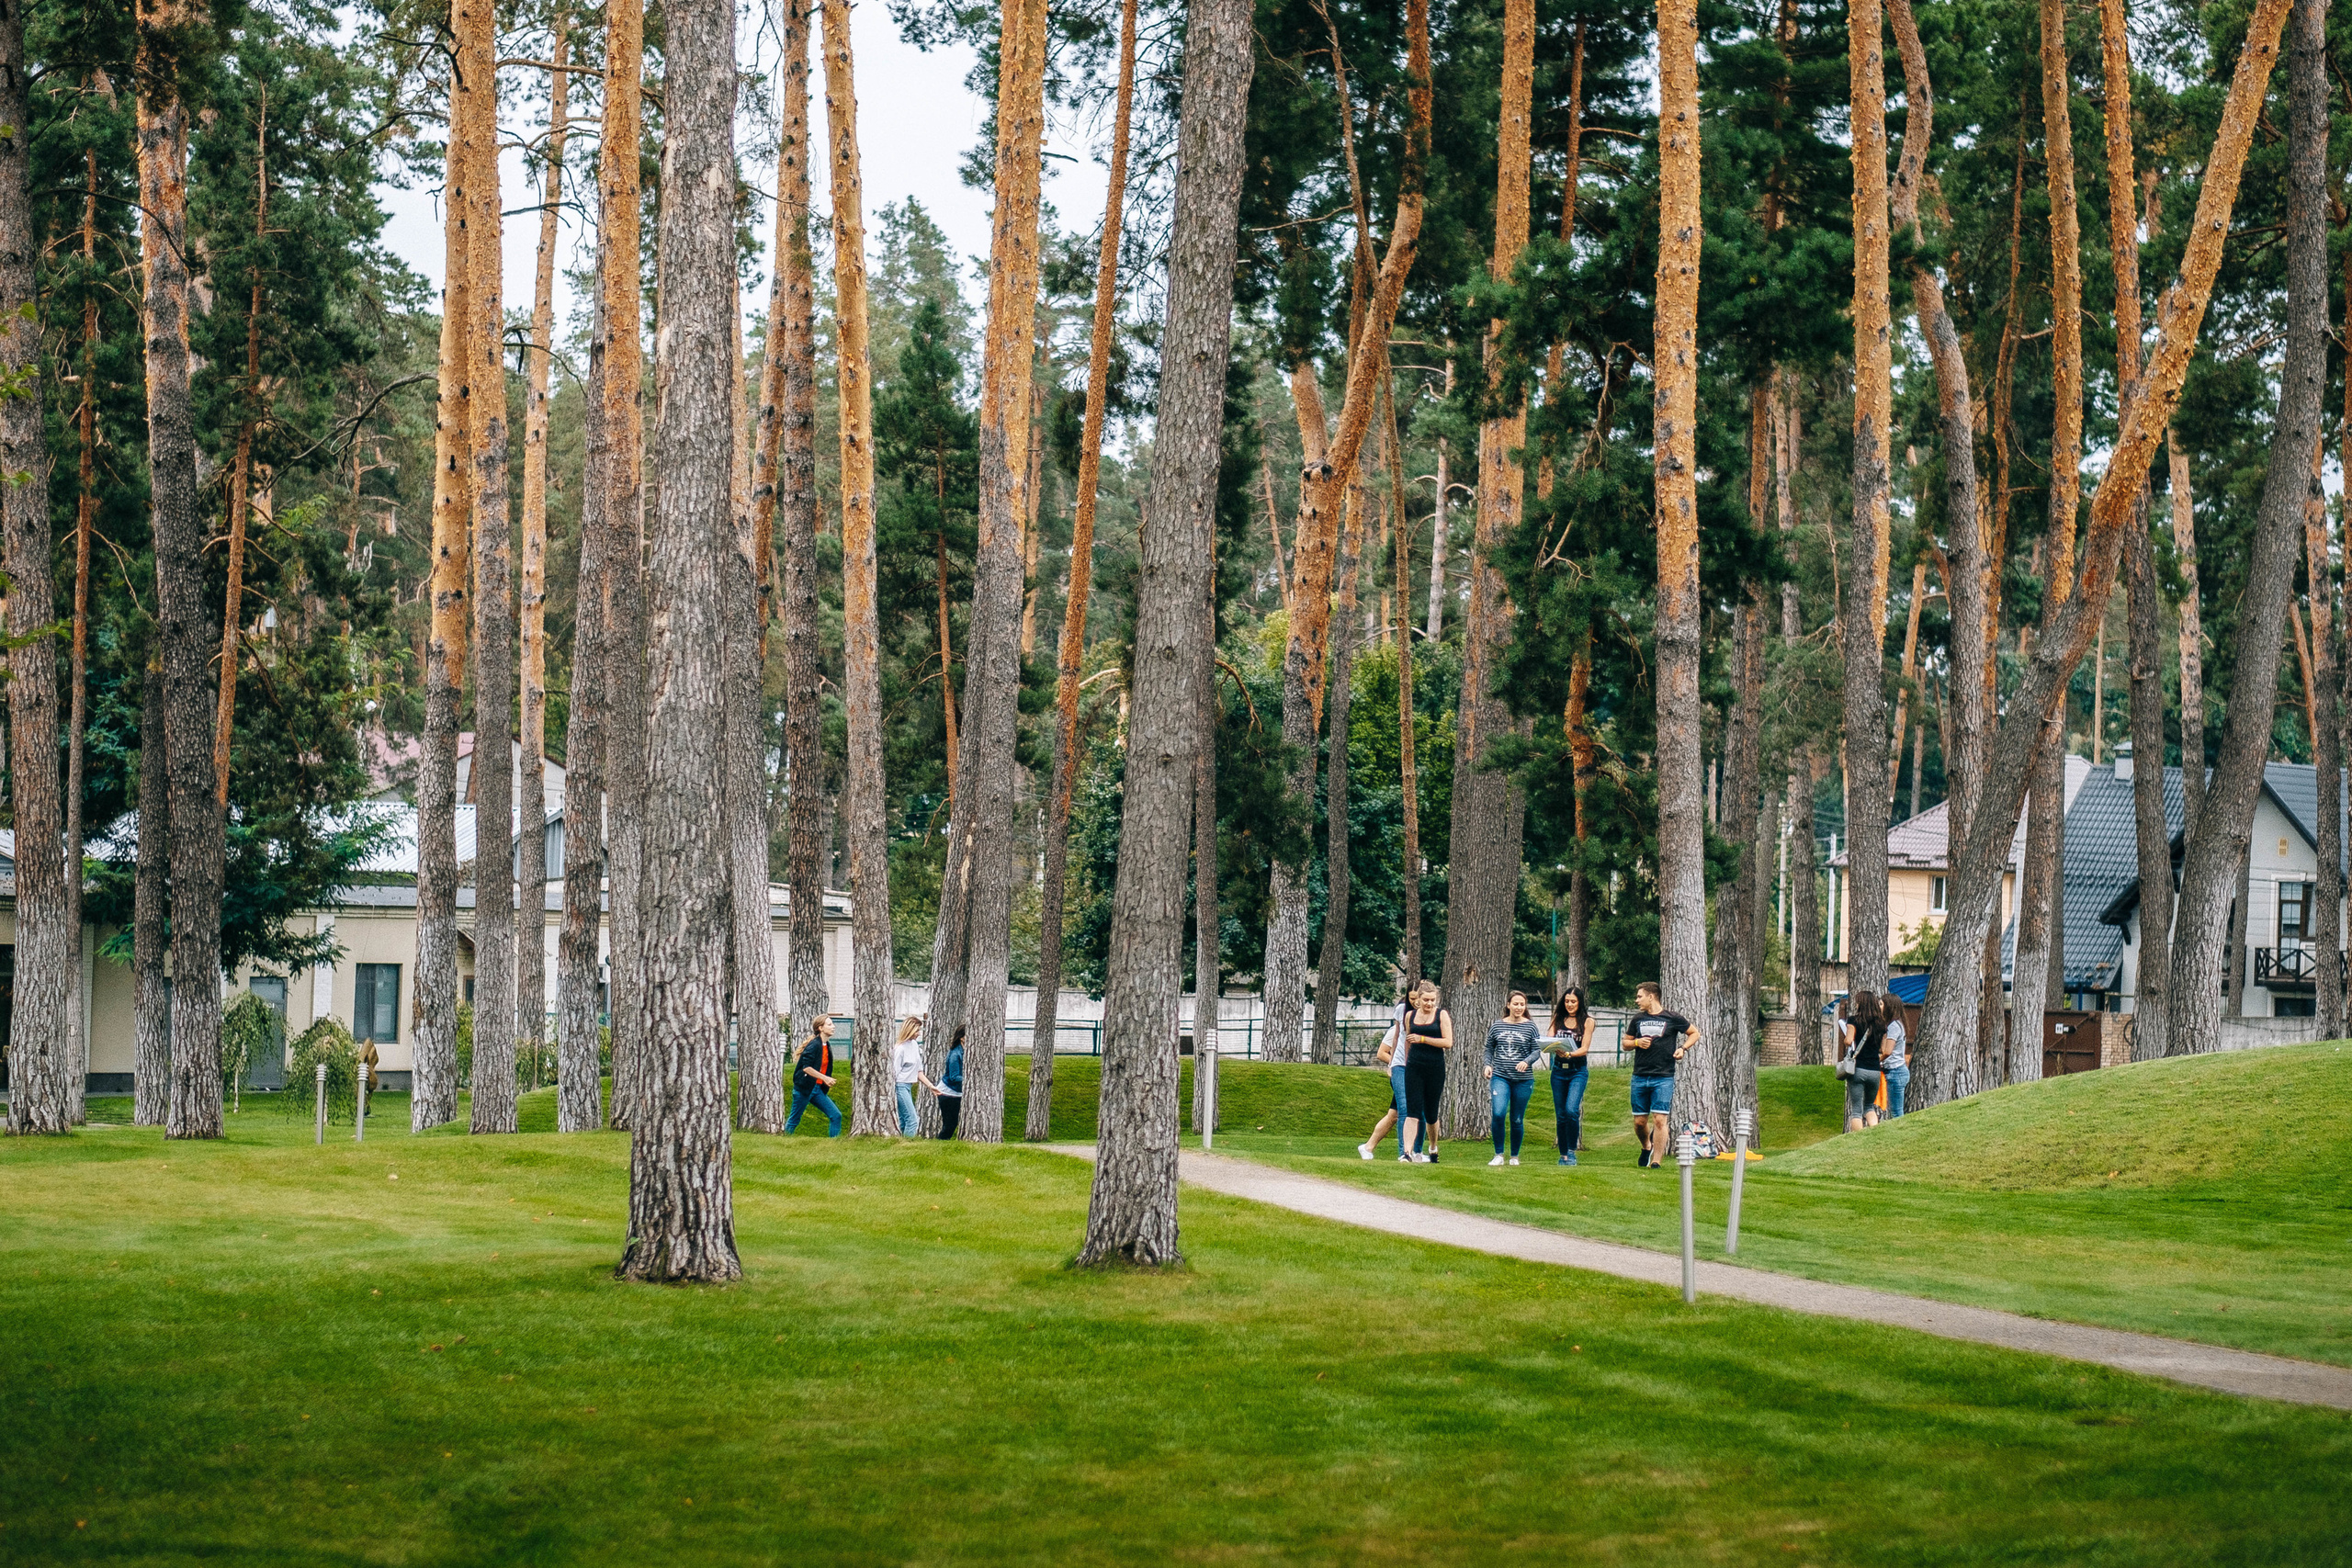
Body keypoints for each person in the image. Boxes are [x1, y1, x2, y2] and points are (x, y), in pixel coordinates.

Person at [1626, 982, 1697, 1168]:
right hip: (1640, 1076)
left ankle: (1656, 1161)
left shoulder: (1672, 1018)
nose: (1637, 1000)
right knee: (1640, 1122)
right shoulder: (1637, 1019)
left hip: (1664, 1077)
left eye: (1640, 996)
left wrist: (1683, 1048)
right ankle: (1646, 1146)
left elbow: (1694, 1033)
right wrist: (1636, 1043)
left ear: (1652, 996)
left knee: (1659, 1119)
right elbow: (1625, 1043)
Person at [1483, 989, 1544, 1165]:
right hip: (1501, 1076)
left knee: (1517, 1118)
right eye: (1515, 1004)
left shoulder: (1530, 1026)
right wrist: (1488, 1065)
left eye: (1522, 1004)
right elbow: (1489, 1048)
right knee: (1498, 1113)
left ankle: (1514, 1156)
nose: (1519, 1007)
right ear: (1508, 1005)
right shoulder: (1497, 1026)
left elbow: (1537, 1050)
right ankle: (1498, 1155)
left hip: (1523, 1080)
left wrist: (1527, 1061)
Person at [1358, 992, 1420, 1161]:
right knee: (1405, 1111)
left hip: (1411, 1073)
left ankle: (1368, 1146)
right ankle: (1406, 1152)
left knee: (1394, 1115)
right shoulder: (1395, 1030)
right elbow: (1381, 1053)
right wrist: (1393, 1065)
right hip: (1400, 1072)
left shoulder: (1418, 1027)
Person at [1398, 978, 1452, 1164]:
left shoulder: (1441, 1015)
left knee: (1431, 1113)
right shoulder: (1409, 1016)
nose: (1429, 1003)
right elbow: (1407, 1040)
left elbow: (1448, 1042)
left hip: (1435, 1067)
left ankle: (1433, 1146)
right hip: (1414, 1067)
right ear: (1418, 999)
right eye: (1426, 1000)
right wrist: (1406, 1062)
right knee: (1412, 1111)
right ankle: (1407, 1152)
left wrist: (1423, 1039)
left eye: (1432, 1000)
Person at [1544, 986, 1594, 1166]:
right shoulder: (1557, 1018)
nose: (1569, 1004)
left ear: (1579, 1002)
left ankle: (1572, 1151)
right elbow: (1549, 1039)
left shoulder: (1588, 1021)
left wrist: (1570, 1054)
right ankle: (1563, 1154)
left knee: (1571, 1110)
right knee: (1561, 1114)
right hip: (1558, 1071)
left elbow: (1585, 1049)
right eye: (1566, 1001)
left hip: (1577, 1071)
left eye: (1573, 1001)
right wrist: (1551, 1046)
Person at [1838, 989, 1888, 1133]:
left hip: (1858, 1069)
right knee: (1869, 1107)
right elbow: (1883, 1050)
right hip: (1874, 1071)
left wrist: (1847, 1040)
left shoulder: (1854, 1020)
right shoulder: (1881, 1024)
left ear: (1861, 1003)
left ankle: (1858, 1140)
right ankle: (1873, 1134)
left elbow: (1848, 1041)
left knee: (1856, 1110)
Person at [787, 1014, 842, 1135]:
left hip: (817, 1089)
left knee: (836, 1115)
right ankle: (783, 1141)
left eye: (832, 1024)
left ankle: (835, 1145)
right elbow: (806, 1068)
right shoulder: (814, 1045)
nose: (833, 1027)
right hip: (804, 1089)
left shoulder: (826, 1045)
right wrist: (825, 1078)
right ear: (820, 1028)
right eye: (829, 1024)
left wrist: (823, 1081)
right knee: (794, 1120)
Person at [922, 1025, 966, 1139]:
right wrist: (969, 1079)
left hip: (957, 1092)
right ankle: (940, 1143)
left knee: (953, 1123)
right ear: (962, 1037)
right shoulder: (955, 1054)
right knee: (950, 1124)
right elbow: (954, 1077)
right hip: (949, 1092)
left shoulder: (965, 1051)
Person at [889, 1016, 926, 1136]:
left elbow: (918, 1070)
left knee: (904, 1120)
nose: (918, 1033)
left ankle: (900, 1142)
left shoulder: (914, 1045)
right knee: (912, 1120)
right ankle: (907, 1145)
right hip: (900, 1086)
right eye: (916, 1030)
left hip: (909, 1085)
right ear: (909, 1030)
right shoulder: (900, 1049)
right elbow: (894, 1073)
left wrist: (931, 1086)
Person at [1880, 998, 1909, 1118]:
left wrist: (1876, 1061)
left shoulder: (1894, 1026)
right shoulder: (1892, 1025)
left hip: (1896, 1072)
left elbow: (1887, 1052)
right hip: (1896, 1072)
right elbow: (1883, 1049)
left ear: (1889, 1006)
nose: (1879, 1007)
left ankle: (1901, 1133)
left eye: (1881, 1004)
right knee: (1894, 1110)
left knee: (1896, 1112)